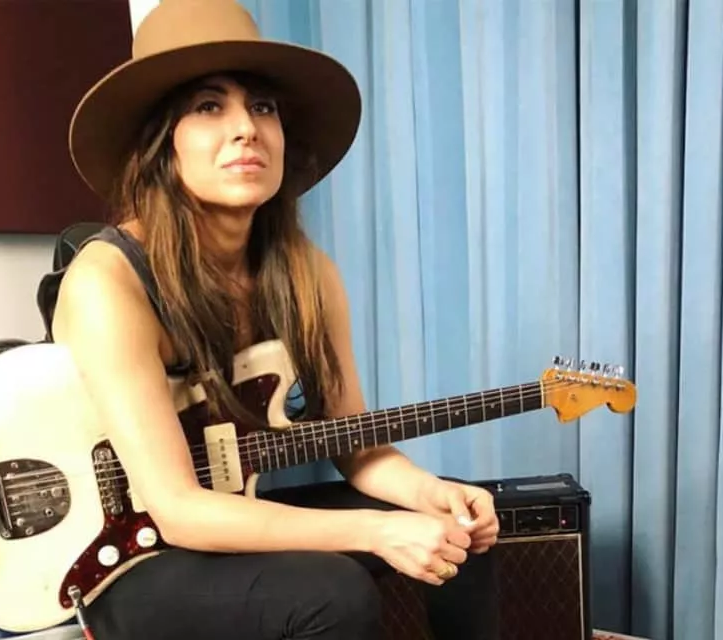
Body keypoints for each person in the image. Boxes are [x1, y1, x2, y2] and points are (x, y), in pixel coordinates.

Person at [35, 0, 500, 638]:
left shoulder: (309, 273)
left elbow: (355, 447)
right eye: (208, 107)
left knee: (459, 535)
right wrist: (377, 529)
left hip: (229, 514)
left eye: (262, 107)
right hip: (125, 555)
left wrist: (430, 494)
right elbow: (178, 509)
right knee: (331, 594)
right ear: (161, 144)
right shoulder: (107, 281)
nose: (246, 129)